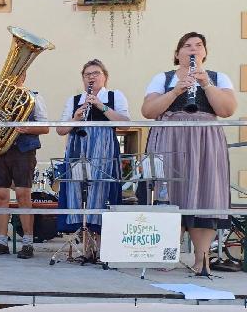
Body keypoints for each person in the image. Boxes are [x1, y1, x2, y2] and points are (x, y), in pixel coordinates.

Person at [141, 32, 237, 275]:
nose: (193, 49)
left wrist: (205, 84)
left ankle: (201, 259)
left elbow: (226, 110)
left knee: (206, 193)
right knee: (167, 192)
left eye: (198, 45)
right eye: (187, 46)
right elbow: (148, 111)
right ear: (177, 54)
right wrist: (175, 92)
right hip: (169, 139)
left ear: (204, 52)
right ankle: (166, 254)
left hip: (205, 141)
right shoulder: (162, 79)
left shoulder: (218, 78)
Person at [56, 59, 129, 259]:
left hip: (103, 150)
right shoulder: (73, 100)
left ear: (105, 76)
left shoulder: (114, 96)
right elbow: (61, 130)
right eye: (87, 74)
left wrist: (101, 106)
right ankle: (86, 248)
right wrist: (75, 119)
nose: (91, 77)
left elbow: (125, 124)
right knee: (78, 193)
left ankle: (102, 247)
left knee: (102, 192)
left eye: (96, 73)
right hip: (78, 149)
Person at [0, 73, 49, 259]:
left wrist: (27, 128)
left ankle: (28, 243)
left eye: (18, 75)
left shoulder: (34, 97)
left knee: (23, 195)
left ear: (23, 77)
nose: (14, 78)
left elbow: (45, 127)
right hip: (1, 149)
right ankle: (2, 241)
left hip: (24, 151)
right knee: (0, 195)